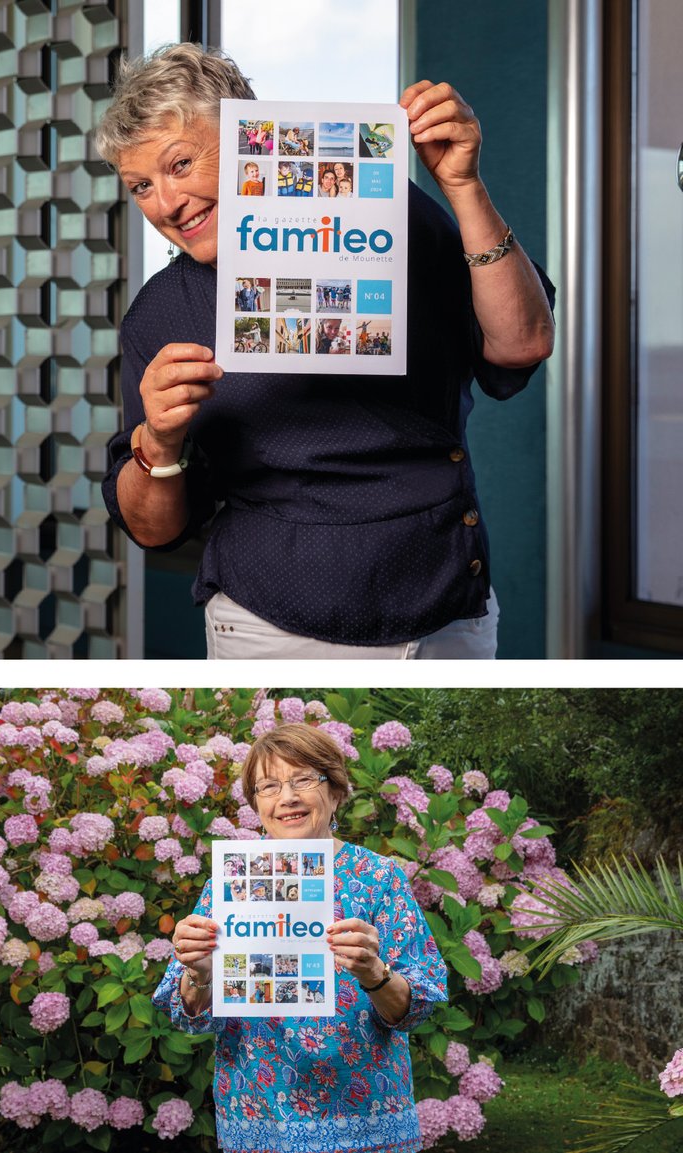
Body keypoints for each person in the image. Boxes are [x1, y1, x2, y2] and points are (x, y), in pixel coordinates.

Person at [94, 44, 555, 657]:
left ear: (248, 139)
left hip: (444, 599)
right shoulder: (161, 315)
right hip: (269, 619)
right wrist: (157, 441)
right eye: (141, 186)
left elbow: (522, 343)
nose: (166, 204)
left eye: (180, 164)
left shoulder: (389, 224)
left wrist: (463, 188)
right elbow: (154, 529)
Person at [155, 723, 449, 1151]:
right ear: (256, 805)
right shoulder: (236, 877)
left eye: (303, 780)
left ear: (335, 792)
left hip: (367, 1120)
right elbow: (186, 1013)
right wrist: (201, 972)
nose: (286, 797)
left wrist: (375, 975)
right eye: (268, 786)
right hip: (259, 1118)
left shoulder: (378, 878)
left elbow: (419, 1006)